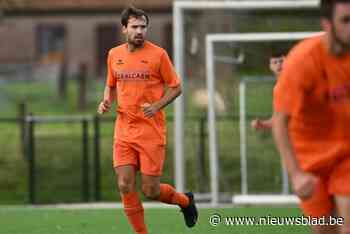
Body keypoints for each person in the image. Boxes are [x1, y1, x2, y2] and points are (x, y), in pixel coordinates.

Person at [97, 6, 198, 234]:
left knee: (151, 191)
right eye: (135, 27)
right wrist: (106, 101)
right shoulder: (114, 54)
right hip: (123, 130)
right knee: (124, 184)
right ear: (124, 29)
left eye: (143, 27)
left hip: (151, 131)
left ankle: (185, 202)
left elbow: (176, 87)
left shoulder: (158, 54)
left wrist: (156, 106)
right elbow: (111, 84)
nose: (140, 31)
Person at [272, 0, 350, 233]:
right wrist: (295, 174)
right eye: (346, 21)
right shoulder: (302, 61)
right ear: (327, 24)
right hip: (309, 160)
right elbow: (280, 122)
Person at [251, 51, 285, 131]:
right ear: (270, 66)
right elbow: (277, 120)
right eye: (275, 62)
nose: (279, 64)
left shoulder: (297, 80)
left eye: (281, 61)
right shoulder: (277, 89)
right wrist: (262, 124)